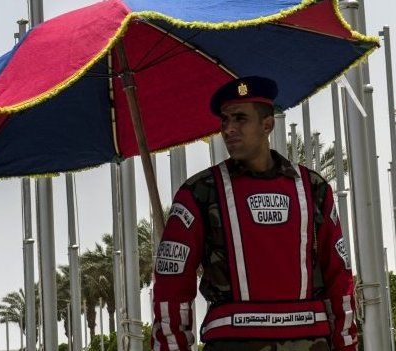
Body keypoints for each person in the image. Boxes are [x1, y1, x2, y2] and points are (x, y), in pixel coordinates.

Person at [151, 76, 358, 351]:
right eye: (224, 120)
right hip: (231, 343)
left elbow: (340, 279)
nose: (229, 129)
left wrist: (346, 346)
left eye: (240, 119)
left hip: (311, 343)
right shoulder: (198, 193)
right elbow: (171, 288)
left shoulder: (314, 188)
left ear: (267, 124)